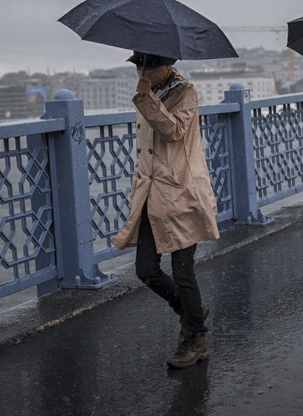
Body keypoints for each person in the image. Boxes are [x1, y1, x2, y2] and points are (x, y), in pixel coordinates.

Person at [111, 51, 219, 368]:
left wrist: (146, 100)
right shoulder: (151, 92)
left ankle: (195, 338)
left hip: (180, 192)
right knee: (146, 269)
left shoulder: (185, 91)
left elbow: (173, 131)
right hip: (150, 194)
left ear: (163, 68)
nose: (140, 71)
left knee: (183, 271)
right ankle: (191, 310)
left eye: (145, 66)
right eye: (137, 66)